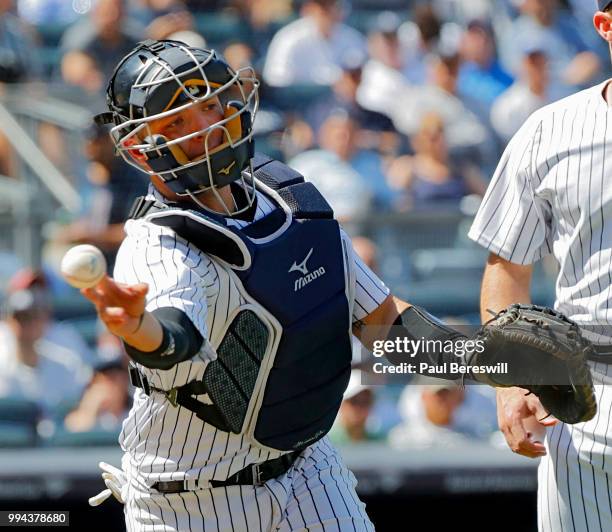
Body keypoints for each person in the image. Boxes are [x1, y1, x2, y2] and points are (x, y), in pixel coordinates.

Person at [85, 39, 568, 531]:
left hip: (307, 469)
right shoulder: (157, 246)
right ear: (139, 149)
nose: (206, 128)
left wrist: (505, 373)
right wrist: (141, 328)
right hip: (189, 500)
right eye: (177, 123)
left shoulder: (289, 200)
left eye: (209, 106)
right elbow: (175, 338)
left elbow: (385, 324)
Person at [468, 4, 612, 530]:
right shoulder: (549, 132)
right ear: (605, 26)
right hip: (583, 395)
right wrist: (510, 384)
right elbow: (506, 273)